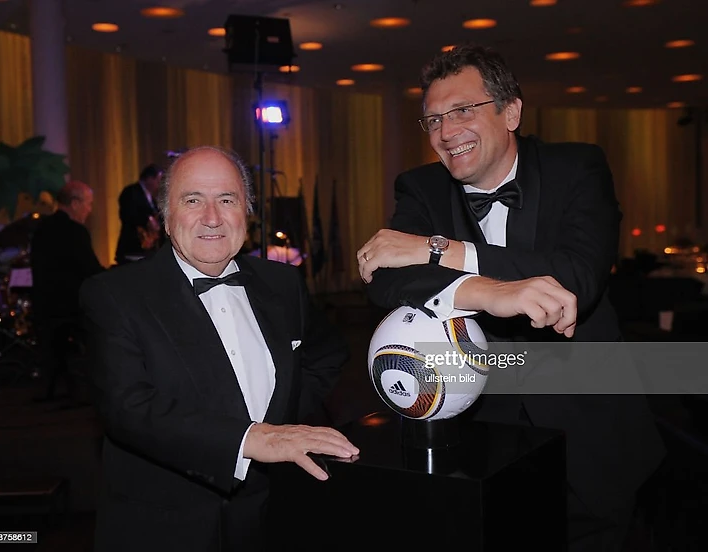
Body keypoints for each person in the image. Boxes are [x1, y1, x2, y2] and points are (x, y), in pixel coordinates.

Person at [357, 43, 665, 552]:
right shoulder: (421, 188)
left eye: (462, 110)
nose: (445, 131)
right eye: (432, 119)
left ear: (512, 111)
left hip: (592, 432)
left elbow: (577, 278)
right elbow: (387, 279)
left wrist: (445, 252)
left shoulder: (578, 167)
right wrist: (486, 292)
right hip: (483, 437)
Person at [80, 146, 359, 552]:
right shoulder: (114, 294)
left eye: (226, 200)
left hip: (273, 517)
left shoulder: (283, 284)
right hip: (164, 528)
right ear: (166, 216)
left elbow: (327, 354)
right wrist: (253, 439)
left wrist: (283, 422)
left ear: (247, 210)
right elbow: (127, 407)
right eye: (193, 200)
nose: (212, 218)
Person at [30, 180, 105, 401]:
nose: (89, 210)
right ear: (74, 203)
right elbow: (91, 272)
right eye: (88, 204)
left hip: (44, 306)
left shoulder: (41, 229)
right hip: (71, 307)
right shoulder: (74, 231)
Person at [114, 163, 164, 264]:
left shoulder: (151, 198)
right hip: (133, 244)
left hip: (148, 247)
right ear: (149, 178)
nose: (158, 185)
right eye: (157, 181)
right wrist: (148, 219)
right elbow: (128, 214)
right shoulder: (130, 191)